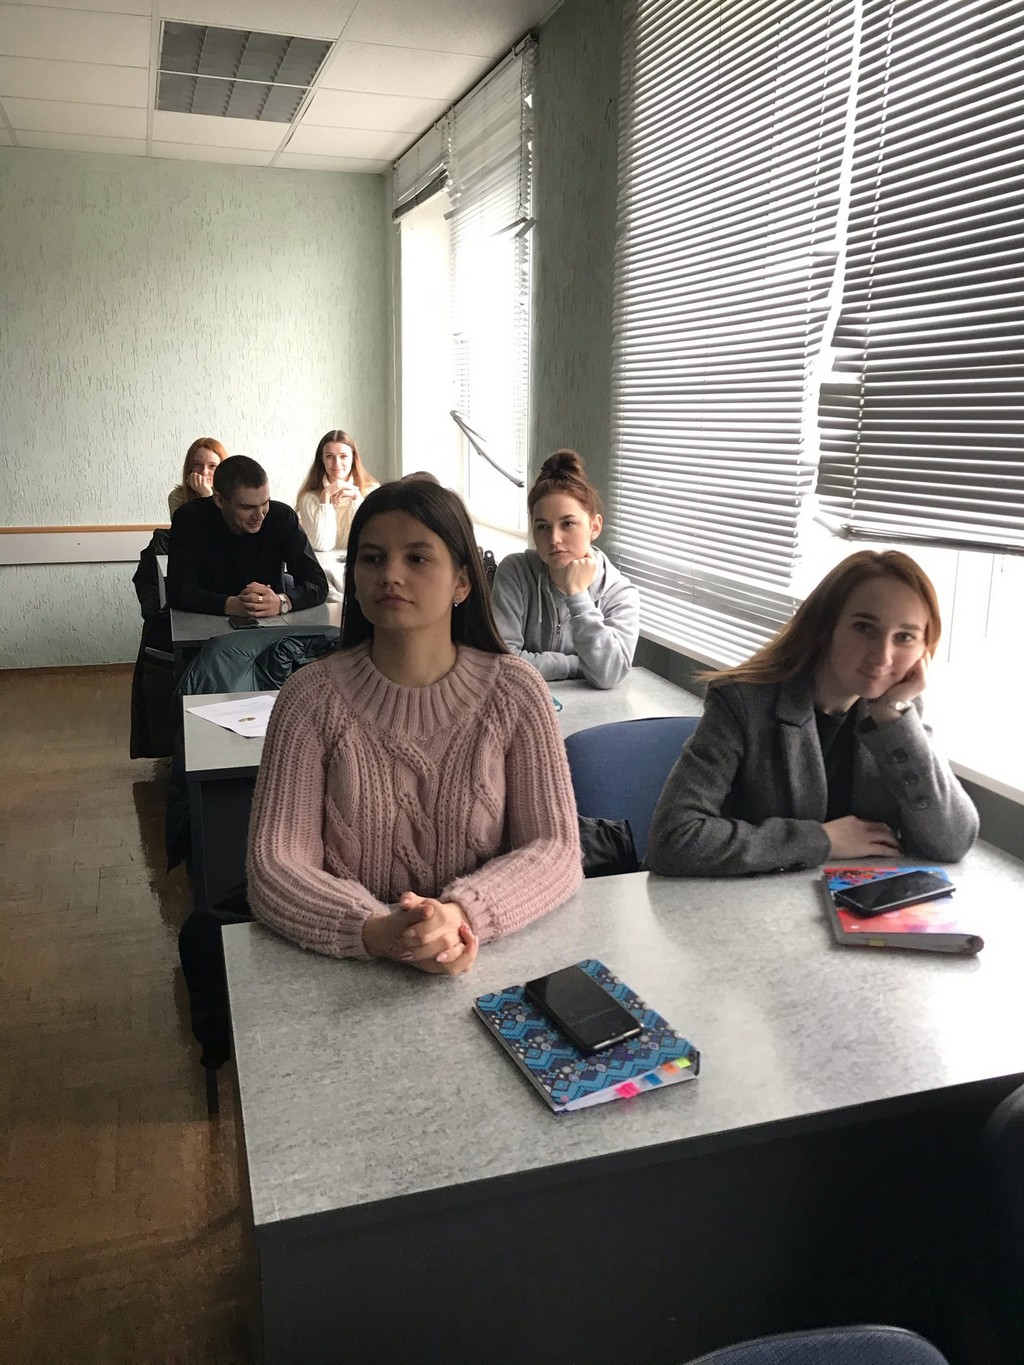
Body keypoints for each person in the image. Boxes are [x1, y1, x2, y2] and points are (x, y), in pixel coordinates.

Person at [246, 478, 582, 972]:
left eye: (417, 558)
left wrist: (458, 917)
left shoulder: (515, 692)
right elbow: (276, 866)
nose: (390, 575)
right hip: (343, 973)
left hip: (485, 963)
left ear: (462, 582)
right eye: (372, 558)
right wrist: (376, 930)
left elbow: (555, 848)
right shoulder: (309, 699)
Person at [647, 551, 979, 877]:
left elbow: (951, 841)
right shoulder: (742, 702)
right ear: (825, 627)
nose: (882, 656)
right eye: (864, 628)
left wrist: (892, 717)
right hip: (742, 903)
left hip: (847, 902)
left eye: (905, 637)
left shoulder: (895, 711)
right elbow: (674, 838)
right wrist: (821, 840)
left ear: (924, 650)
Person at [490, 449, 639, 689]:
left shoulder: (619, 593)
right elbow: (502, 663)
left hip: (592, 710)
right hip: (520, 702)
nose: (554, 539)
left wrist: (578, 596)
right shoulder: (515, 572)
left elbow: (609, 674)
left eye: (568, 523)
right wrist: (579, 666)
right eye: (542, 526)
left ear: (595, 526)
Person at [166, 455, 328, 617]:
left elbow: (318, 583)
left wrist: (283, 602)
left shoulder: (281, 517)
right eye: (247, 507)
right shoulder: (190, 519)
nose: (260, 515)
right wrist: (230, 605)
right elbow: (178, 591)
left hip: (271, 622)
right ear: (219, 500)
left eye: (265, 503)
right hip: (206, 619)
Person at [295, 429, 379, 552]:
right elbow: (322, 546)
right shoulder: (309, 499)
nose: (336, 463)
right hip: (324, 564)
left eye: (343, 456)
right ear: (322, 459)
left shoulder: (372, 492)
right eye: (330, 456)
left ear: (353, 458)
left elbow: (370, 540)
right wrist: (325, 498)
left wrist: (357, 500)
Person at [168, 437, 227, 518]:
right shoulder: (177, 496)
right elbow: (183, 525)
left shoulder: (232, 497)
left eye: (212, 466)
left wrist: (207, 495)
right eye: (198, 464)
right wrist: (205, 496)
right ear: (190, 467)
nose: (204, 472)